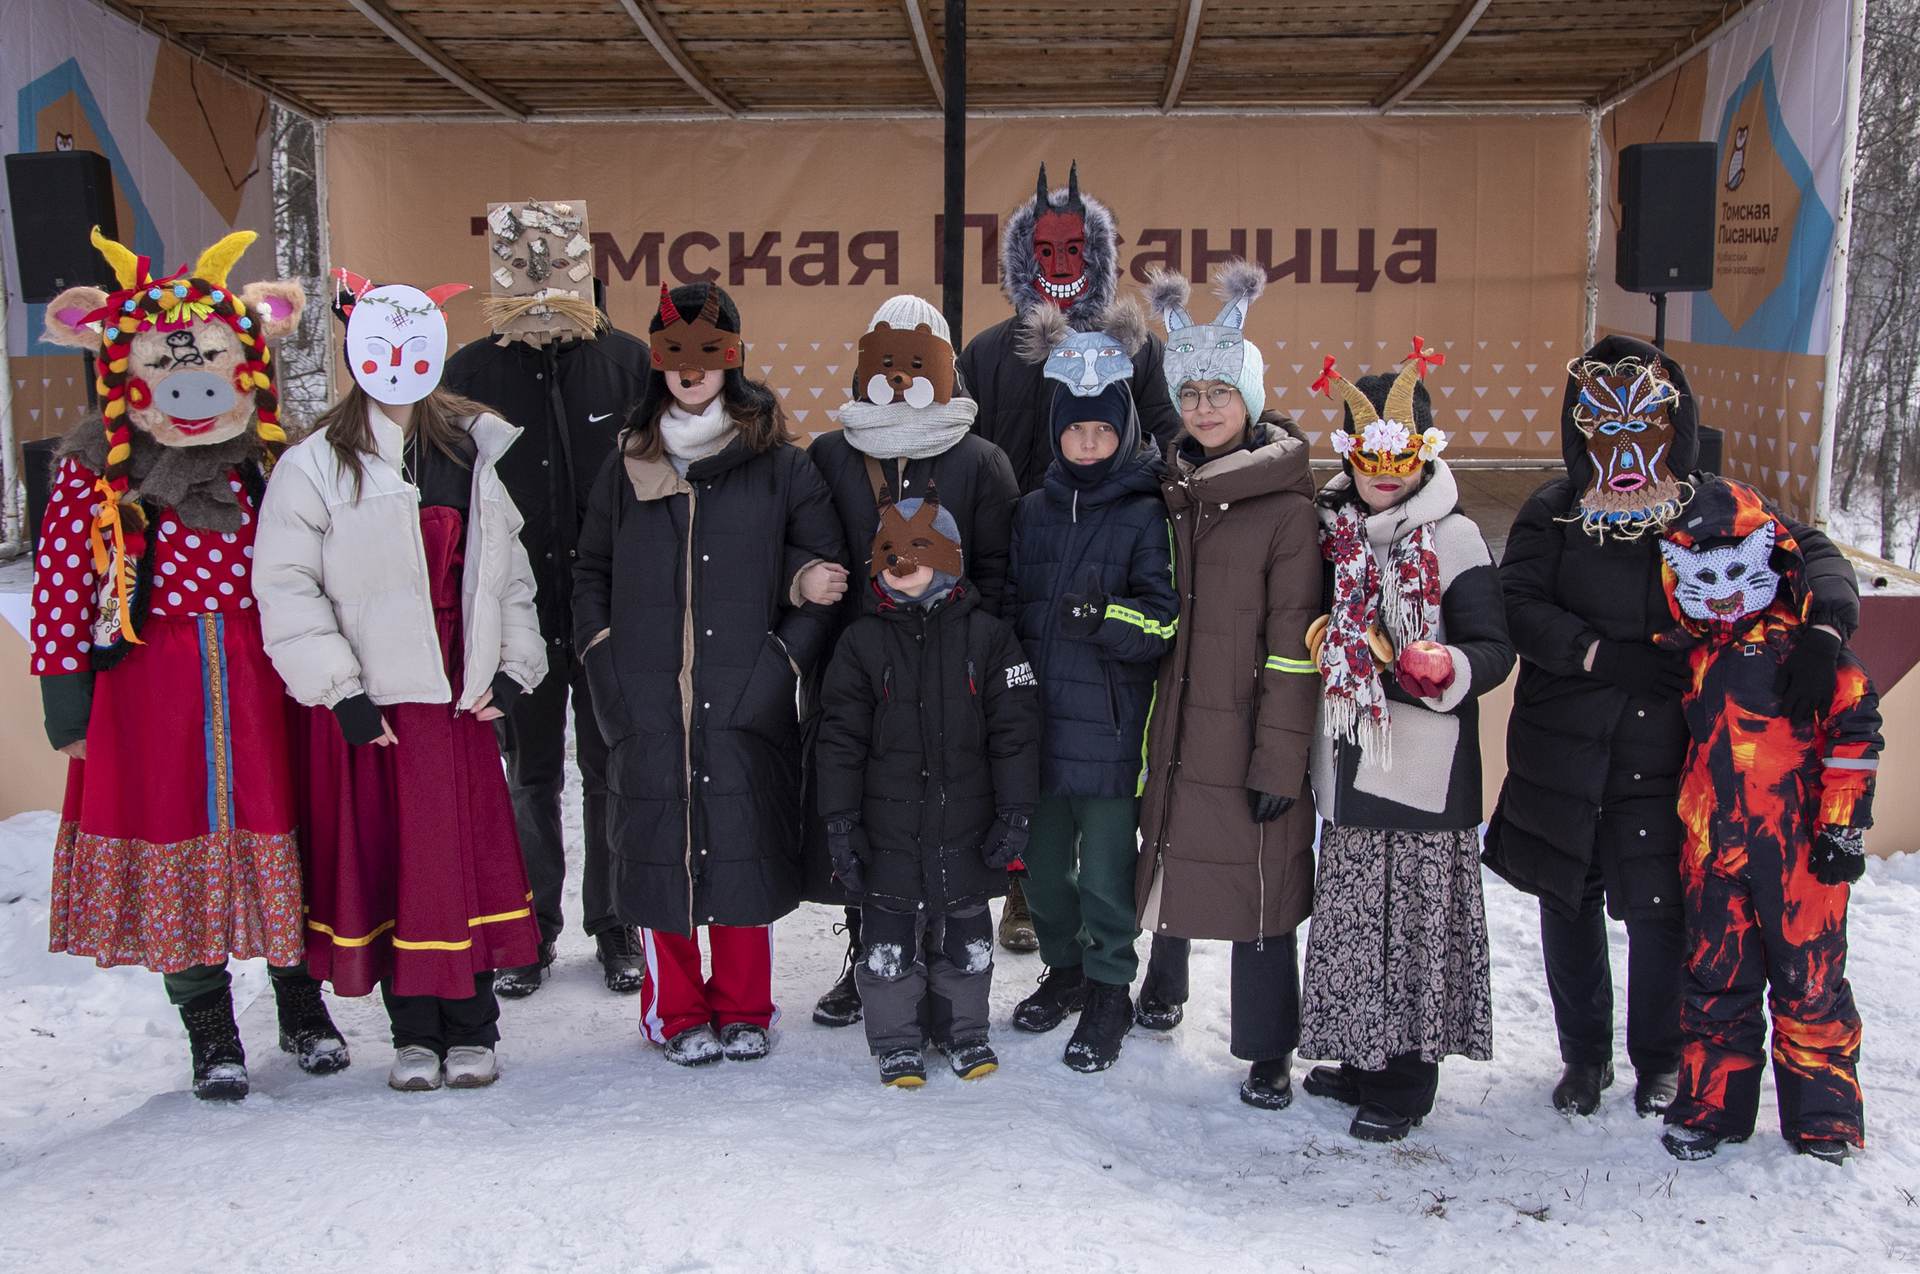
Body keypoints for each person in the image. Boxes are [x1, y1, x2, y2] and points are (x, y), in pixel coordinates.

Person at [1482, 336, 1861, 1119]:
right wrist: (1595, 654)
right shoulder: (1553, 509)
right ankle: (1584, 1057)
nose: (1625, 446)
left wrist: (1825, 630)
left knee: (1660, 910)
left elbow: (1813, 551)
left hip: (1669, 750)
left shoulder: (1714, 505)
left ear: (1675, 424)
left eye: (1644, 424)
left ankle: (1658, 1059)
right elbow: (1516, 603)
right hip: (1563, 745)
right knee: (1569, 902)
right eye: (1604, 427)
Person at [34, 228, 346, 1102]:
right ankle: (209, 1027)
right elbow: (62, 586)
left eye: (209, 361)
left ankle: (301, 1002)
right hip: (148, 687)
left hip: (266, 678)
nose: (192, 387)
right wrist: (67, 706)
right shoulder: (95, 470)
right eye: (166, 367)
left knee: (286, 827)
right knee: (171, 839)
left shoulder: (273, 460)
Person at [254, 270, 546, 1092]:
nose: (396, 363)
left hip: (458, 697)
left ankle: (474, 1029)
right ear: (355, 354)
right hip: (378, 702)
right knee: (398, 867)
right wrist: (339, 691)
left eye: (413, 347)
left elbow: (508, 572)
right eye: (379, 348)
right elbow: (287, 587)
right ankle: (414, 1034)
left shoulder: (471, 448)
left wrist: (514, 668)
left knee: (459, 864)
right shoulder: (316, 465)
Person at [573, 281, 844, 1066]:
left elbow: (823, 571)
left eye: (707, 352)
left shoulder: (780, 466)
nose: (690, 370)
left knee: (740, 846)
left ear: (733, 358)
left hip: (744, 694)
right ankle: (676, 1010)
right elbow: (590, 571)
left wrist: (782, 660)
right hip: (648, 695)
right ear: (657, 362)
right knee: (660, 851)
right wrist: (603, 659)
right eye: (674, 353)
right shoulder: (626, 465)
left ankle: (746, 1005)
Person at [957, 161, 1183, 952]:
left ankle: (1105, 914)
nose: (1061, 266)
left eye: (1076, 249)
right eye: (1045, 251)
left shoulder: (1138, 348)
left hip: (1112, 570)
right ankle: (1025, 892)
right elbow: (961, 452)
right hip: (1019, 567)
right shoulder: (989, 352)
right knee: (1020, 739)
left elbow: (1175, 440)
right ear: (1023, 258)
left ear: (1102, 256)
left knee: (1101, 755)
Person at [1297, 345, 1513, 1142]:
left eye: (1399, 458)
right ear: (1349, 455)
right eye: (1369, 458)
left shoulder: (1454, 538)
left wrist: (1447, 664)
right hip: (1353, 757)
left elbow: (1494, 648)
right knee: (1357, 917)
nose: (1383, 475)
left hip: (1423, 765)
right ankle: (1363, 1055)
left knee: (1412, 925)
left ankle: (1406, 1081)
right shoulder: (1333, 532)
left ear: (1424, 454)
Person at [444, 200, 652, 998]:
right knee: (529, 775)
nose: (540, 276)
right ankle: (527, 928)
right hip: (515, 608)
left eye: (555, 259)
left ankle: (616, 922)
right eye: (522, 260)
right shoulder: (471, 372)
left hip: (606, 608)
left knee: (610, 769)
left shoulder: (625, 362)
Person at [1134, 262, 1322, 1109]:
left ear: (1250, 398)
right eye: (1190, 393)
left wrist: (1280, 759)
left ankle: (1268, 1045)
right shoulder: (1168, 490)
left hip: (1247, 728)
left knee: (1259, 880)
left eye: (1220, 392)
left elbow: (1293, 647)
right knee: (1169, 845)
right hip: (1174, 718)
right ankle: (1164, 980)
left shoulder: (1287, 508)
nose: (1204, 408)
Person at [803, 294, 1019, 1029]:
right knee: (872, 818)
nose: (900, 380)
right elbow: (806, 547)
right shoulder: (832, 454)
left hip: (954, 672)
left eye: (919, 362)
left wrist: (985, 667)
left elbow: (1000, 573)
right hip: (859, 670)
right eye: (887, 362)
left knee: (948, 814)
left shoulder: (980, 460)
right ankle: (871, 958)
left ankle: (948, 972)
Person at [1651, 479, 1879, 1164]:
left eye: (1735, 573)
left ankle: (1824, 1118)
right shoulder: (1692, 653)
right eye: (1704, 577)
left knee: (1810, 982)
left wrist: (1842, 826)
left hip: (1798, 849)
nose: (1722, 594)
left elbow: (1855, 731)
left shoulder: (1804, 647)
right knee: (1716, 979)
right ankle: (1712, 1108)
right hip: (1713, 848)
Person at [1002, 295, 1177, 1072]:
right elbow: (1007, 607)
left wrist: (1107, 616)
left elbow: (1163, 623)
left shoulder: (1143, 515)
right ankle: (1065, 969)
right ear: (1056, 433)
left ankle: (1110, 986)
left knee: (1106, 874)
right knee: (1044, 870)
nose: (1088, 443)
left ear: (1125, 432)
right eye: (1076, 430)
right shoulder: (1030, 513)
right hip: (1039, 726)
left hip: (1108, 730)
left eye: (1102, 431)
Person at [815, 495, 1039, 1085]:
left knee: (967, 941)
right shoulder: (860, 644)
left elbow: (1016, 734)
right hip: (887, 829)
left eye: (919, 549)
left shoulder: (990, 639)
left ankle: (963, 1032)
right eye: (889, 552)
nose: (902, 563)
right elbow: (839, 741)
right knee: (888, 946)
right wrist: (840, 822)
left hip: (967, 825)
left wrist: (1016, 813)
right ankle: (897, 1039)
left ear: (950, 558)